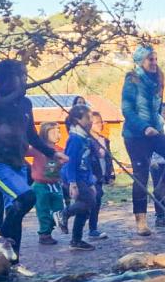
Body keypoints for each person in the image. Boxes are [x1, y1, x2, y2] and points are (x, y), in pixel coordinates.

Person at [0, 59, 67, 272]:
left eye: (25, 75)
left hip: (18, 165)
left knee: (16, 211)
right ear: (5, 79)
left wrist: (53, 153)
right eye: (21, 75)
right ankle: (0, 236)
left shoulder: (25, 104)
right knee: (27, 197)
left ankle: (13, 264)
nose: (25, 79)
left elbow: (32, 137)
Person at [121, 44, 165, 236]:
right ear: (140, 61)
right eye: (150, 59)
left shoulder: (158, 79)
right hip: (135, 134)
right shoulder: (132, 80)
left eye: (155, 59)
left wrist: (158, 125)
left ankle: (162, 190)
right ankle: (141, 221)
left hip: (155, 130)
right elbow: (127, 110)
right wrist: (143, 127)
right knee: (141, 175)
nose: (154, 62)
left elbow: (157, 107)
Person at [61, 105, 97, 251]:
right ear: (77, 120)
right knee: (90, 200)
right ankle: (63, 213)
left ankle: (76, 239)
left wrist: (91, 182)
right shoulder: (75, 139)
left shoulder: (85, 138)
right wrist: (72, 183)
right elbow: (70, 162)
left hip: (83, 177)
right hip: (73, 177)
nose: (91, 121)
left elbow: (86, 162)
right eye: (87, 118)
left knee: (86, 207)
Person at [30, 122, 66, 246]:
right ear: (45, 134)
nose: (57, 134)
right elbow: (22, 152)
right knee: (43, 210)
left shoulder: (61, 150)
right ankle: (45, 234)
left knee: (59, 210)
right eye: (53, 132)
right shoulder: (37, 149)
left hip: (55, 184)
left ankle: (52, 226)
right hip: (40, 185)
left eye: (59, 131)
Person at [88, 111, 114, 239]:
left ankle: (93, 227)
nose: (100, 125)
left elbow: (109, 159)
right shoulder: (88, 141)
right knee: (95, 198)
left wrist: (111, 175)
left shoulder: (104, 140)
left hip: (101, 175)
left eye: (101, 122)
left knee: (97, 200)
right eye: (96, 123)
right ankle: (91, 228)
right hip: (91, 176)